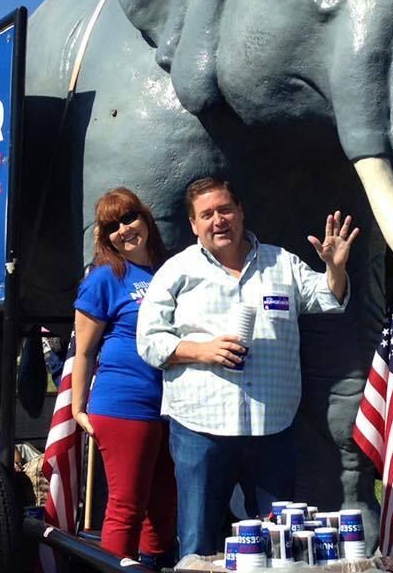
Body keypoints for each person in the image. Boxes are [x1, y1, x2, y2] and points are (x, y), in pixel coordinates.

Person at [136, 177, 358, 556]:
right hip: (200, 428)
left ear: (240, 212)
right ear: (193, 225)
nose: (218, 220)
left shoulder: (281, 262)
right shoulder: (176, 271)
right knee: (197, 543)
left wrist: (335, 269)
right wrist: (201, 351)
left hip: (271, 429)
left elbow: (328, 299)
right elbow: (149, 342)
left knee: (277, 545)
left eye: (225, 210)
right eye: (206, 215)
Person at [72, 188, 177, 567]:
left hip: (174, 406)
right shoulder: (105, 279)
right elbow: (83, 350)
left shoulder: (172, 269)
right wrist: (77, 407)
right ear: (104, 236)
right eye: (112, 225)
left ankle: (150, 565)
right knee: (127, 504)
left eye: (129, 217)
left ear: (146, 219)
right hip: (124, 404)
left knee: (164, 505)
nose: (124, 229)